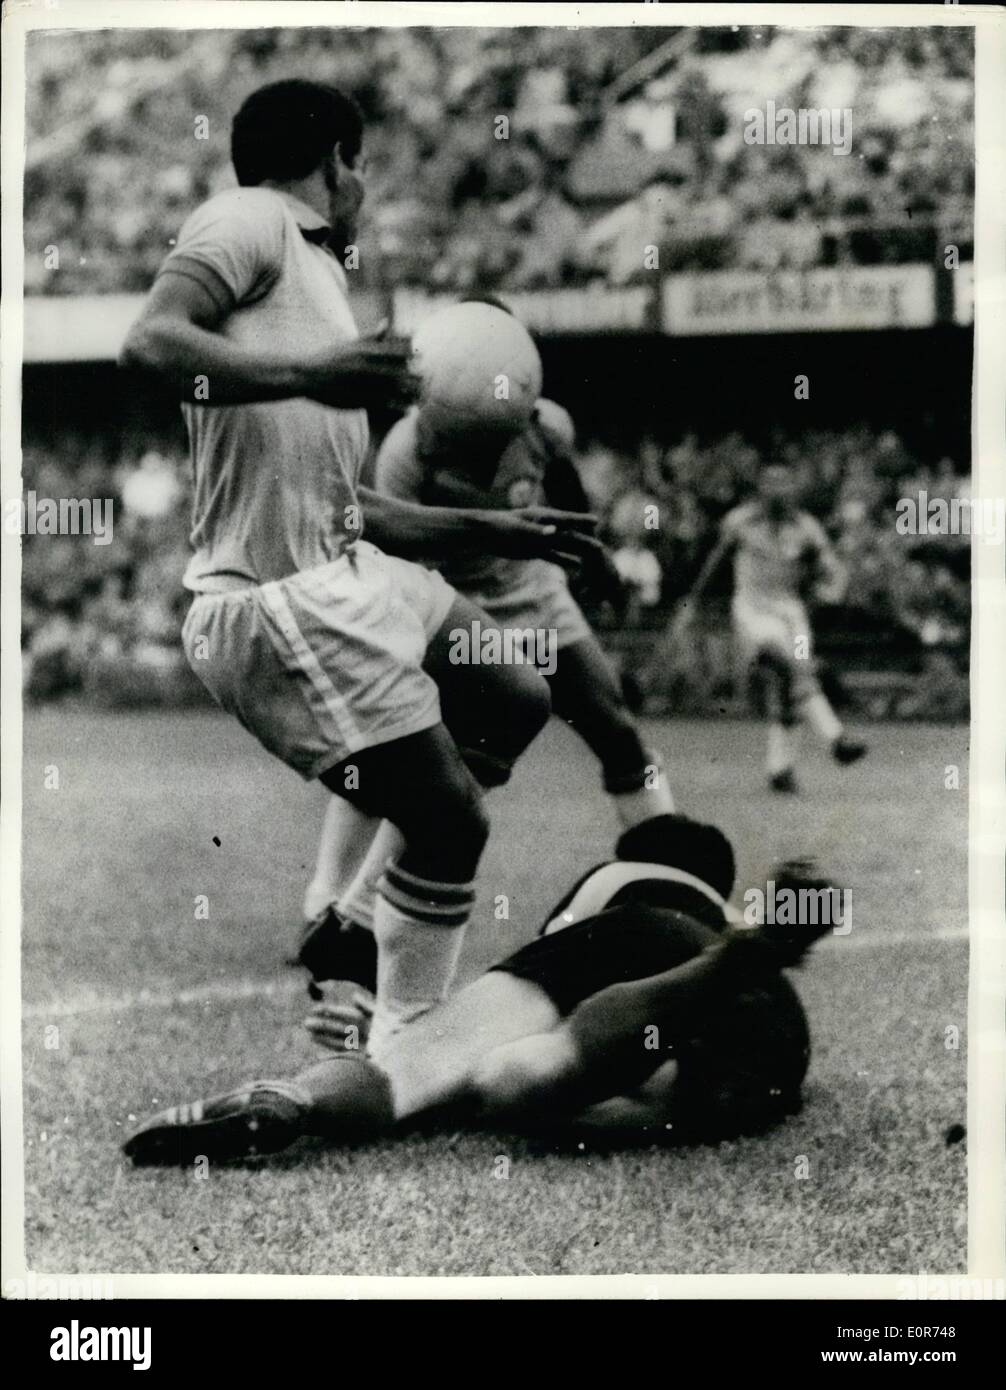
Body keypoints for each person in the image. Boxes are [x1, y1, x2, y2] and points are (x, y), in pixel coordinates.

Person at [118, 80, 597, 1057]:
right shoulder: (249, 218)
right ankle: (394, 1032)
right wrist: (313, 373)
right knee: (451, 821)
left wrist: (500, 530)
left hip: (345, 571)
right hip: (270, 601)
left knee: (513, 696)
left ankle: (351, 922)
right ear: (336, 161)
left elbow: (349, 508)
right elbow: (150, 342)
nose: (363, 184)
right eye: (361, 164)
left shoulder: (317, 275)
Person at [298, 300, 675, 989]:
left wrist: (596, 558)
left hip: (532, 592)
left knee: (614, 725)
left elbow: (564, 501)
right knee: (403, 754)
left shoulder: (541, 428)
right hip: (454, 600)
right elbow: (401, 543)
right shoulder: (406, 452)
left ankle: (670, 876)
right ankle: (329, 900)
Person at [122, 813, 833, 1166]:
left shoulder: (620, 886)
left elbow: (539, 987)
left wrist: (409, 1044)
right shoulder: (718, 920)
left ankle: (301, 1099)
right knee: (529, 1086)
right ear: (726, 891)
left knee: (448, 1069)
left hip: (650, 953)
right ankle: (737, 963)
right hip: (773, 1037)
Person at [672, 464, 867, 793]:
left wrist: (829, 586)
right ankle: (835, 738)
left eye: (784, 483)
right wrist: (691, 604)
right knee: (791, 666)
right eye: (770, 483)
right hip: (752, 611)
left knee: (791, 688)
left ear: (793, 488)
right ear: (760, 488)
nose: (777, 490)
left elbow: (829, 569)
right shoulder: (740, 521)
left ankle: (780, 770)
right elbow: (714, 563)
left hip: (791, 613)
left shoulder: (806, 527)